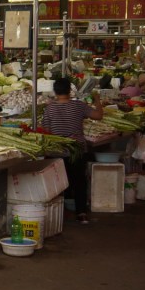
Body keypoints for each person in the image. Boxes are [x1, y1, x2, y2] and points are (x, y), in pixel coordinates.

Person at [41, 77, 104, 224]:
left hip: (56, 151)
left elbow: (46, 131)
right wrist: (97, 100)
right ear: (69, 91)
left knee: (57, 183)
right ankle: (81, 213)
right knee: (79, 181)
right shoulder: (78, 106)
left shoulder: (49, 109)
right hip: (77, 150)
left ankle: (58, 215)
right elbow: (98, 116)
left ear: (55, 92)